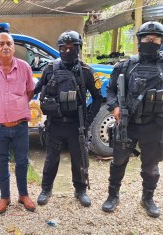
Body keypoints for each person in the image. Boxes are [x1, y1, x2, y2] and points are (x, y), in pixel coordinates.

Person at [102, 21, 163, 218]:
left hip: (154, 126)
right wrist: (115, 107)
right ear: (139, 40)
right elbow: (110, 91)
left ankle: (148, 198)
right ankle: (113, 195)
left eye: (155, 38)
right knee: (118, 161)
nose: (150, 41)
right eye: (146, 38)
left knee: (151, 166)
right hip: (128, 123)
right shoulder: (125, 66)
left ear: (161, 41)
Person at [34, 31, 102, 207]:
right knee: (51, 159)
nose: (67, 50)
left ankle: (80, 190)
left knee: (78, 159)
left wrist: (86, 122)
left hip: (76, 125)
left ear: (78, 48)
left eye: (71, 47)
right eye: (63, 48)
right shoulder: (50, 69)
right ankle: (46, 189)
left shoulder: (86, 71)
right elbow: (35, 89)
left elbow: (98, 98)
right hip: (55, 124)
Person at [0, 32, 36, 214]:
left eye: (9, 43)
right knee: (1, 161)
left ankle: (23, 194)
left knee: (22, 161)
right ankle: (5, 196)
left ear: (13, 46)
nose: (5, 47)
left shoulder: (24, 67)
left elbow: (30, 91)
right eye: (1, 44)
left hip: (20, 125)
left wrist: (17, 107)